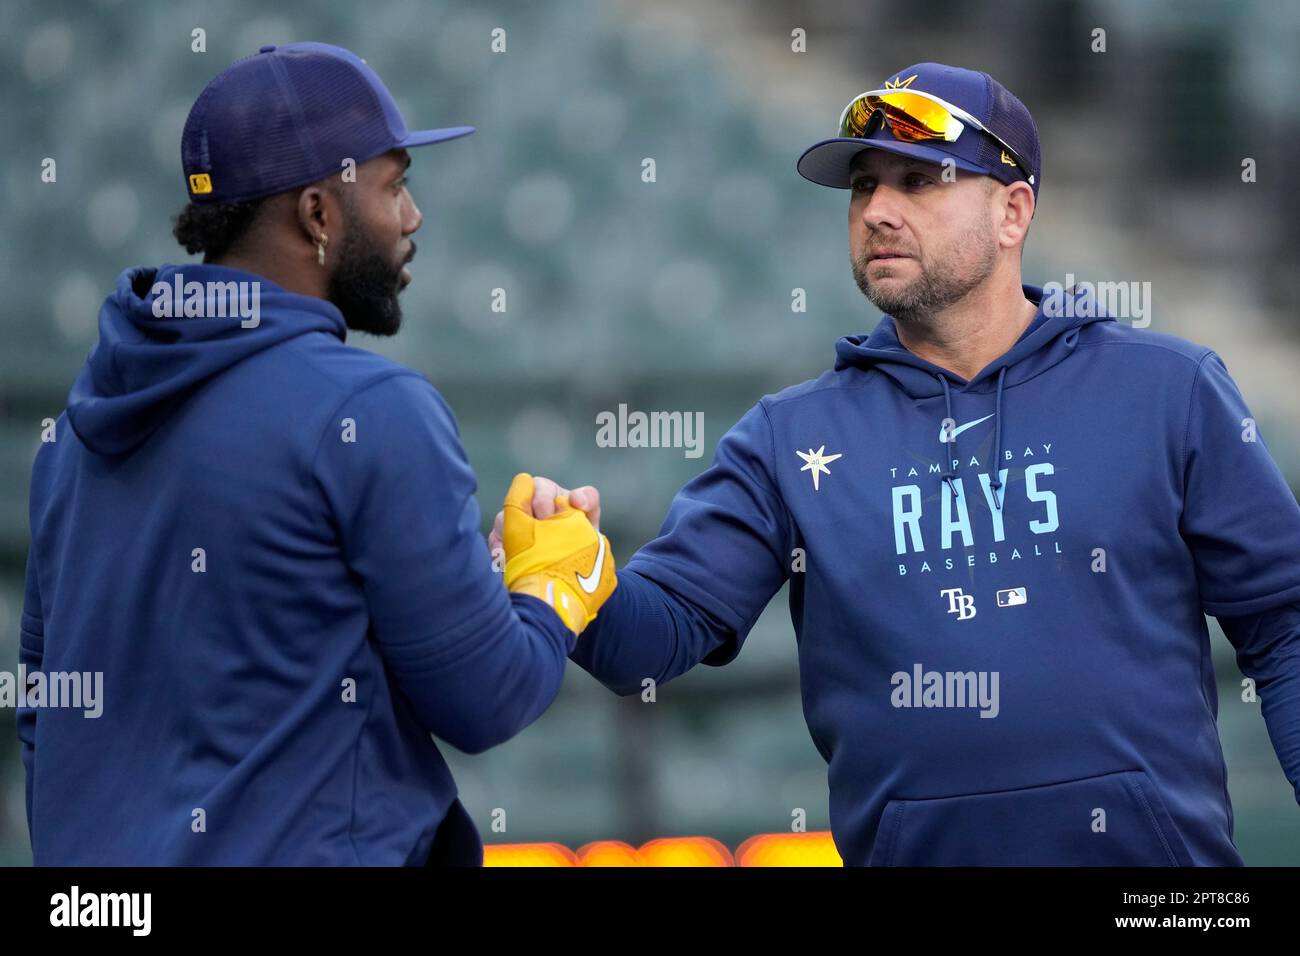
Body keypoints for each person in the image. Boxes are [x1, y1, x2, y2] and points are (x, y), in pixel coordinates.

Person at [494, 62, 1300, 866]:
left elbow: (1285, 626)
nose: (878, 210)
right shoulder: (789, 435)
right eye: (864, 186)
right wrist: (576, 576)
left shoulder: (1167, 388)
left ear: (1012, 210)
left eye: (917, 181)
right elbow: (650, 643)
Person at [18, 42, 615, 866]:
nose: (412, 218)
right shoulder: (372, 411)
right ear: (317, 214)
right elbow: (489, 699)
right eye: (395, 186)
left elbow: (46, 709)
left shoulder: (75, 429)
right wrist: (553, 582)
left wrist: (471, 583)